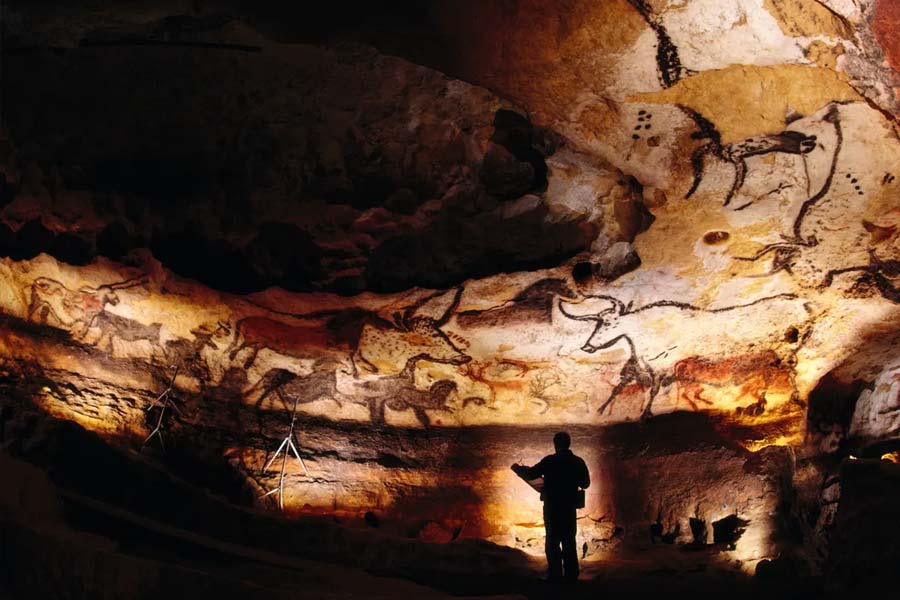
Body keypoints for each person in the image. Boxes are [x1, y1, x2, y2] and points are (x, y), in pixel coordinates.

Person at [511, 431, 590, 583]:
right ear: (569, 444)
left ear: (555, 444)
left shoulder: (549, 461)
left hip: (552, 507)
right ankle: (571, 575)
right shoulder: (578, 461)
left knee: (552, 541)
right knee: (569, 540)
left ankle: (555, 575)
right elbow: (586, 483)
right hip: (569, 507)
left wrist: (518, 469)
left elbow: (532, 473)